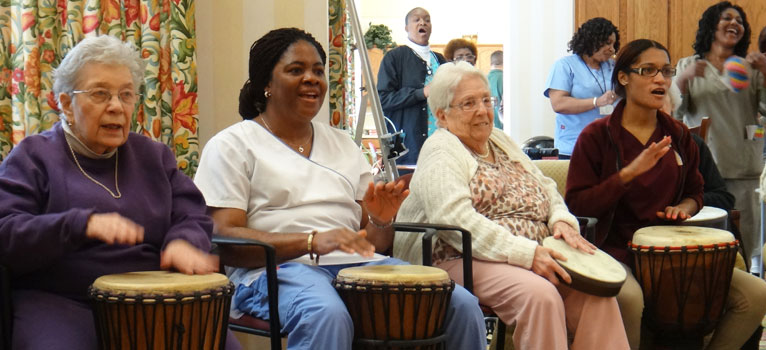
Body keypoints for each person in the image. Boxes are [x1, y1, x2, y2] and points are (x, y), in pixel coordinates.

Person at [193, 28, 486, 350]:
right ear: (266, 84)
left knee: (460, 303)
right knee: (326, 312)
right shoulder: (233, 145)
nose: (312, 79)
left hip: (357, 266)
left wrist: (379, 220)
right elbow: (225, 236)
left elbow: (372, 244)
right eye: (296, 70)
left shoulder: (344, 144)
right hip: (270, 273)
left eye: (318, 71)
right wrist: (310, 241)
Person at [0, 35, 232, 349]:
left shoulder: (154, 156)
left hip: (154, 299)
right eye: (100, 94)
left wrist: (184, 241)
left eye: (126, 94)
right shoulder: (33, 156)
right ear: (66, 103)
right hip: (63, 300)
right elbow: (8, 233)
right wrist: (82, 224)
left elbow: (191, 213)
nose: (116, 107)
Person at [393, 61, 629, 350]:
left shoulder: (500, 140)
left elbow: (546, 187)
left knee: (594, 295)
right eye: (468, 103)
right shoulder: (441, 149)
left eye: (486, 100)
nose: (482, 110)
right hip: (457, 256)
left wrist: (561, 220)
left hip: (531, 252)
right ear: (442, 115)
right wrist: (526, 254)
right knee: (540, 296)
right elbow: (454, 221)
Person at [566, 38, 766, 350]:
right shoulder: (596, 137)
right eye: (648, 71)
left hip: (671, 253)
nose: (660, 79)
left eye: (665, 71)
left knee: (756, 294)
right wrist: (628, 174)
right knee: (630, 299)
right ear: (624, 77)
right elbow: (577, 206)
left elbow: (697, 191)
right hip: (614, 248)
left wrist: (685, 207)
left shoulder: (676, 134)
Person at [672, 1, 766, 272]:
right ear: (712, 25)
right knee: (707, 241)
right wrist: (683, 80)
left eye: (740, 21)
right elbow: (675, 114)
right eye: (727, 18)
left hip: (743, 165)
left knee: (743, 240)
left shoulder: (751, 67)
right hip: (704, 168)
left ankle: (744, 284)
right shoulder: (688, 65)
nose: (735, 24)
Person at [377, 7, 445, 166]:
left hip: (439, 146)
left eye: (427, 20)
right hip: (401, 145)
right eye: (417, 19)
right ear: (406, 27)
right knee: (401, 186)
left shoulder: (440, 60)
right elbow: (383, 100)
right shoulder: (394, 57)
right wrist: (420, 93)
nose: (423, 22)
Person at [545, 17, 620, 158]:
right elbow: (558, 104)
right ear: (592, 40)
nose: (612, 49)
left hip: (608, 146)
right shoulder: (565, 66)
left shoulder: (613, 66)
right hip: (573, 148)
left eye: (614, 44)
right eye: (608, 43)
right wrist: (596, 102)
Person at [488, 50, 504, 129]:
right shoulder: (505, 79)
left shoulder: (483, 79)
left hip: (488, 127)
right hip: (502, 129)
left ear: (491, 63)